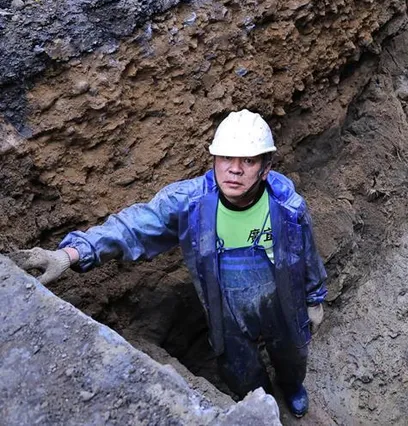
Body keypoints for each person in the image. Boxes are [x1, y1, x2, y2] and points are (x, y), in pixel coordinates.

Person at [9, 109, 326, 418]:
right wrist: (69, 254)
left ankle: (291, 387)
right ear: (214, 160)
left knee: (292, 354)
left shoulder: (287, 207)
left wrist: (314, 298)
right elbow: (134, 226)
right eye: (226, 158)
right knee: (240, 370)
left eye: (248, 160)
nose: (235, 169)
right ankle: (262, 404)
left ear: (266, 168)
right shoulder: (190, 204)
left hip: (281, 301)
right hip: (225, 309)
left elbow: (306, 255)